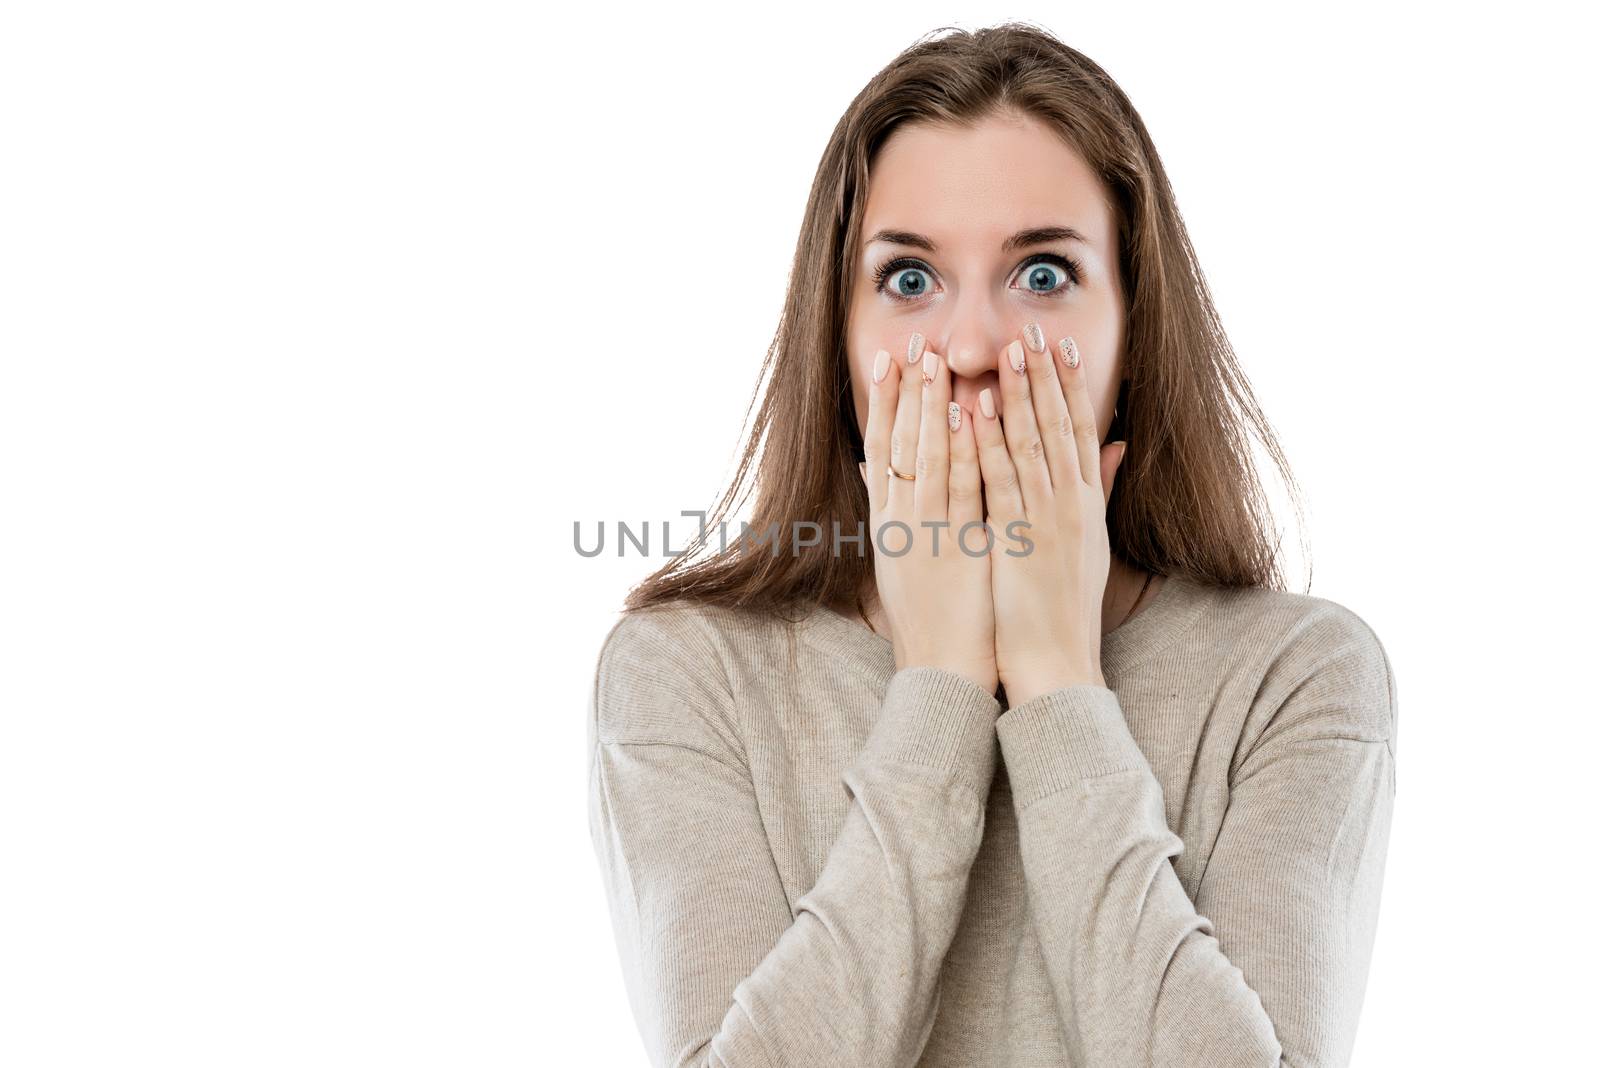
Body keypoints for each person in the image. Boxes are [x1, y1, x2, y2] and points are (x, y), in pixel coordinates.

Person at [585, 22, 1396, 1068]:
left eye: (1045, 275)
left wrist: (1059, 680)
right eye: (909, 281)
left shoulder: (1295, 678)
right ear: (835, 336)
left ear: (1133, 326)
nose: (970, 349)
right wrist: (940, 686)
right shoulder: (688, 672)